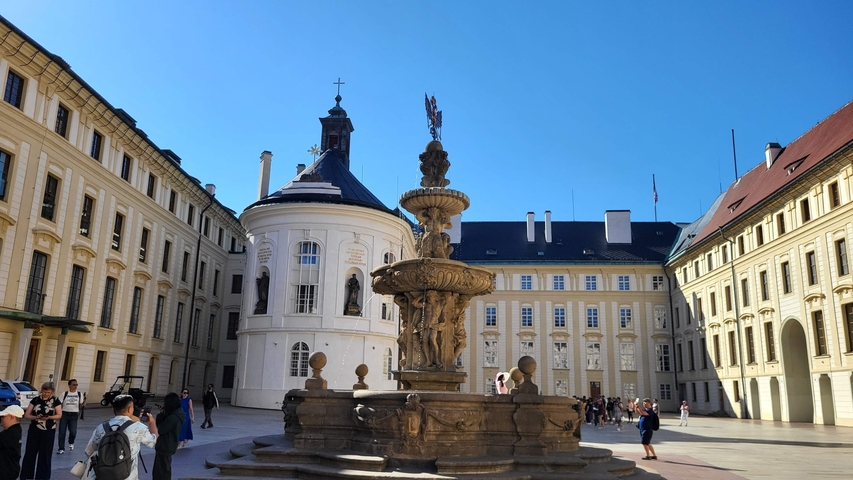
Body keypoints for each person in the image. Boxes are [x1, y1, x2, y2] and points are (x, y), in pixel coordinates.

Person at [85, 394, 158, 480]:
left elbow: (94, 447)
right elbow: (153, 441)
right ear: (130, 409)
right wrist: (152, 423)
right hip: (127, 476)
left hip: (102, 475)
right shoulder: (138, 427)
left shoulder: (101, 427)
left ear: (113, 409)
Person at [21, 382, 62, 480]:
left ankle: (42, 477)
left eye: (48, 392)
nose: (46, 394)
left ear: (52, 392)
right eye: (44, 392)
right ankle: (26, 475)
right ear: (41, 390)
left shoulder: (55, 401)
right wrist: (35, 417)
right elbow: (27, 415)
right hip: (35, 429)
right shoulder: (35, 400)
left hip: (48, 430)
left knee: (45, 454)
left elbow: (59, 414)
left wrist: (49, 417)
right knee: (30, 453)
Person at [154, 393, 185, 480]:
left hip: (165, 445)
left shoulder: (173, 417)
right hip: (169, 445)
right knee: (164, 469)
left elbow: (161, 429)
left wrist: (161, 416)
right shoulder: (178, 413)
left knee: (161, 472)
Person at [58, 378, 84, 454]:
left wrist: (83, 404)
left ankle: (71, 441)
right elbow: (59, 403)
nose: (75, 386)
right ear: (69, 385)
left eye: (76, 385)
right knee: (62, 431)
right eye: (74, 385)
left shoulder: (79, 394)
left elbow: (81, 403)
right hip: (64, 414)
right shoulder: (65, 394)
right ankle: (61, 448)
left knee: (73, 431)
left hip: (74, 414)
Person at [0, 405, 25, 480]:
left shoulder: (11, 433)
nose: (1, 419)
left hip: (6, 471)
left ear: (12, 417)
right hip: (11, 470)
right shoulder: (14, 430)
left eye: (3, 417)